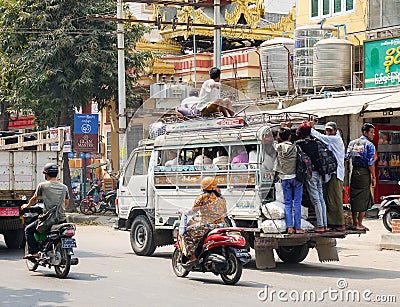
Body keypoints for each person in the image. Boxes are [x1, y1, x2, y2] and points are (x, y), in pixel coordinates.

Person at [21, 163, 69, 259]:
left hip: (48, 220)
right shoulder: (64, 187)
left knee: (28, 230)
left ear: (46, 174)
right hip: (62, 219)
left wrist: (27, 205)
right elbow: (66, 203)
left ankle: (34, 252)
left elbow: (34, 199)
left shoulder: (42, 185)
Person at [182, 177, 227, 265]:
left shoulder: (202, 197)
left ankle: (192, 257)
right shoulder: (221, 198)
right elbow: (225, 213)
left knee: (187, 234)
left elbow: (193, 211)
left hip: (207, 225)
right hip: (222, 225)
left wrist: (184, 212)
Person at [311, 121, 346, 231]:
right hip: (330, 173)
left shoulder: (335, 139)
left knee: (335, 199)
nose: (328, 132)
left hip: (336, 173)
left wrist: (311, 128)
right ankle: (330, 222)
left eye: (330, 130)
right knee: (328, 198)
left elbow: (319, 136)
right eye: (327, 130)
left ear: (335, 131)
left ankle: (339, 223)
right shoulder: (330, 139)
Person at [296, 122, 327, 232]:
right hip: (318, 173)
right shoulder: (316, 143)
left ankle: (320, 225)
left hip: (310, 174)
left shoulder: (300, 144)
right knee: (321, 198)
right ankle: (324, 224)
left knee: (315, 199)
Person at [274, 124, 305, 234]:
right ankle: (298, 227)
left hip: (284, 178)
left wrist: (280, 129)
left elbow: (275, 141)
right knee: (297, 203)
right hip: (296, 178)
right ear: (290, 137)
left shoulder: (278, 147)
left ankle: (290, 227)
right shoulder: (295, 147)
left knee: (287, 204)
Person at [346, 123, 376, 231]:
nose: (374, 134)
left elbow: (346, 157)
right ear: (365, 132)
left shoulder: (352, 143)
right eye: (371, 132)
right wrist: (374, 176)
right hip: (364, 173)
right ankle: (359, 223)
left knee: (354, 196)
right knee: (364, 197)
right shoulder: (369, 145)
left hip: (354, 172)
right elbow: (370, 162)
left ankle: (354, 222)